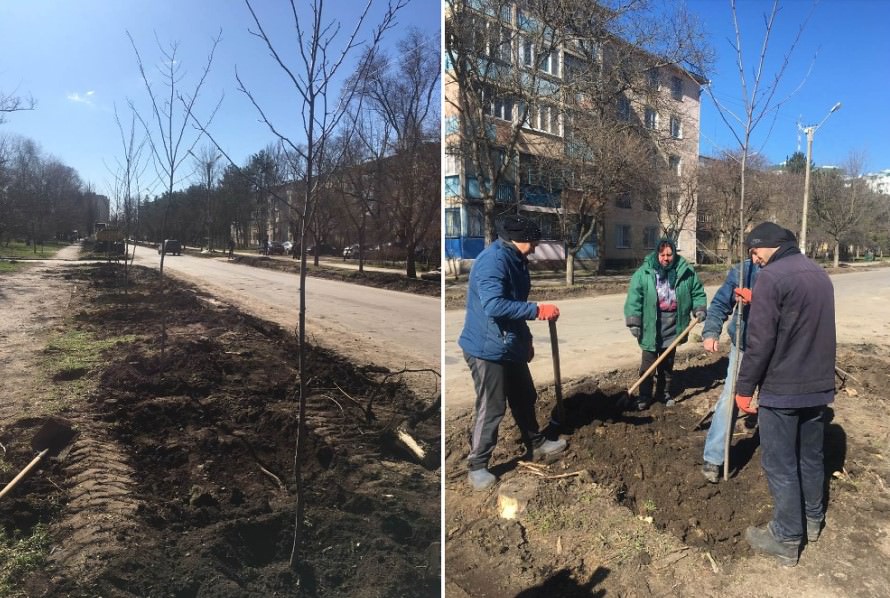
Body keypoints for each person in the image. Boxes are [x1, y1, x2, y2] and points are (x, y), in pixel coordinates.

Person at [735, 222, 836, 566]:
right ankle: (813, 521)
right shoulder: (819, 274)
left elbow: (760, 342)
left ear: (771, 245)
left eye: (754, 250)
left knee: (780, 463)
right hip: (817, 387)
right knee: (811, 457)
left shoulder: (772, 278)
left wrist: (744, 388)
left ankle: (787, 537)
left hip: (783, 389)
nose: (754, 258)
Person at [458, 214, 567, 491]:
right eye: (533, 243)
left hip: (508, 344)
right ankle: (477, 465)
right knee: (492, 406)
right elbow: (494, 305)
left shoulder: (516, 260)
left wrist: (526, 340)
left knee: (524, 395)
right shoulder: (493, 262)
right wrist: (537, 310)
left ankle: (536, 443)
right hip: (486, 349)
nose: (534, 248)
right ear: (521, 240)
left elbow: (514, 303)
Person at [624, 238, 707, 410]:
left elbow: (696, 291)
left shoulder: (685, 271)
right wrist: (634, 321)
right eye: (662, 255)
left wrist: (699, 308)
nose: (666, 258)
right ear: (657, 254)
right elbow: (634, 297)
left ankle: (663, 393)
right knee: (648, 364)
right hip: (651, 324)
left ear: (674, 254)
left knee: (667, 364)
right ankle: (644, 396)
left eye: (669, 254)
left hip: (674, 325)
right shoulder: (644, 272)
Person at [699, 257, 761, 483]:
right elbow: (720, 303)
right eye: (751, 252)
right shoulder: (744, 270)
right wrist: (711, 332)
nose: (755, 258)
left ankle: (774, 459)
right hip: (743, 345)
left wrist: (758, 300)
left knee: (773, 402)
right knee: (730, 398)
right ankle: (714, 458)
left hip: (775, 350)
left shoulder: (784, 271)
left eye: (758, 251)